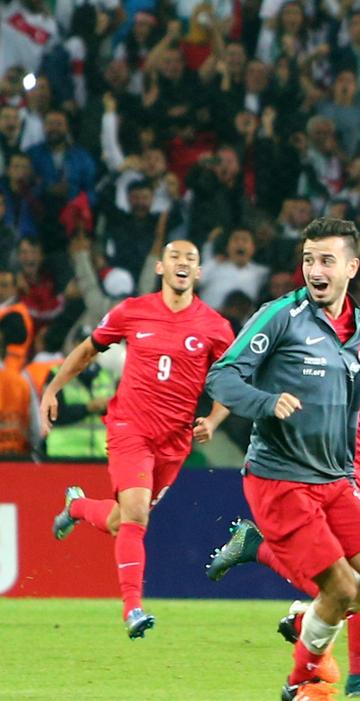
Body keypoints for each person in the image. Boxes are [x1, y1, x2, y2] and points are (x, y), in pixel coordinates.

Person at [206, 237, 360, 700]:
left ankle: (311, 621)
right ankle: (335, 671)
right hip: (331, 463)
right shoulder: (359, 325)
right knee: (345, 580)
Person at [45, 240, 235, 638]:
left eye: (190, 259)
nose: (182, 263)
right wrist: (52, 390)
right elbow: (87, 350)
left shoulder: (215, 327)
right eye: (175, 257)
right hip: (130, 428)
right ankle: (132, 609)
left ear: (198, 273)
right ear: (162, 268)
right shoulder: (133, 311)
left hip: (175, 442)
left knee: (121, 521)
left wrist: (215, 419)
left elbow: (234, 383)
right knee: (135, 515)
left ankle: (77, 506)